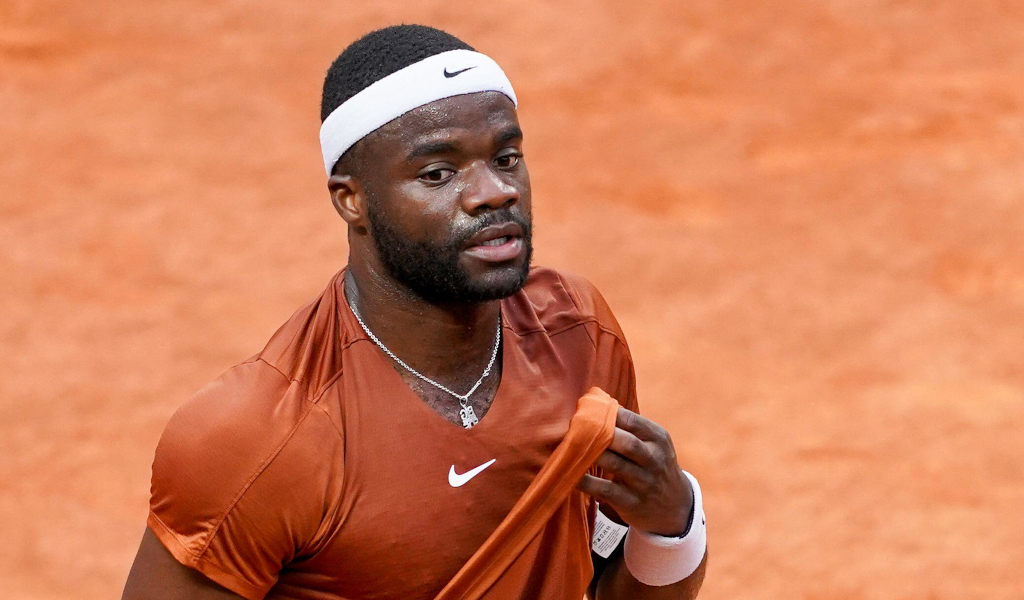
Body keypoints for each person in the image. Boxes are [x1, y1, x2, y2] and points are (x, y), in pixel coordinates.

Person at [121, 24, 707, 600]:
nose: (494, 192)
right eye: (438, 173)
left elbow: (611, 575)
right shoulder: (256, 435)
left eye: (506, 158)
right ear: (351, 200)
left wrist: (670, 523)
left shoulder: (579, 332)